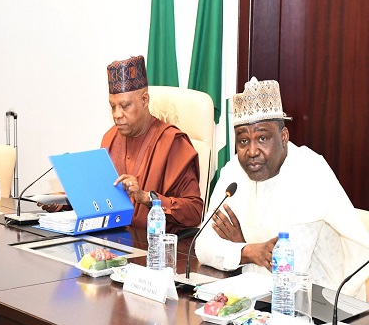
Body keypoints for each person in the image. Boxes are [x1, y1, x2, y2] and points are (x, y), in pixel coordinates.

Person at [195, 77, 369, 298]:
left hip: (320, 308)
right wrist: (249, 251)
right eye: (243, 141)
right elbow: (201, 246)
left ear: (284, 137)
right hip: (259, 300)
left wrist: (240, 246)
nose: (252, 151)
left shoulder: (310, 173)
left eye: (263, 138)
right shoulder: (234, 173)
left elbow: (288, 273)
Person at [42, 56, 203, 233]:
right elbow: (102, 202)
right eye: (112, 106)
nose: (117, 114)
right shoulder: (110, 138)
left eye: (125, 106)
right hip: (113, 241)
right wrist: (66, 204)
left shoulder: (173, 142)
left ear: (145, 100)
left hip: (154, 247)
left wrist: (147, 198)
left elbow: (195, 211)